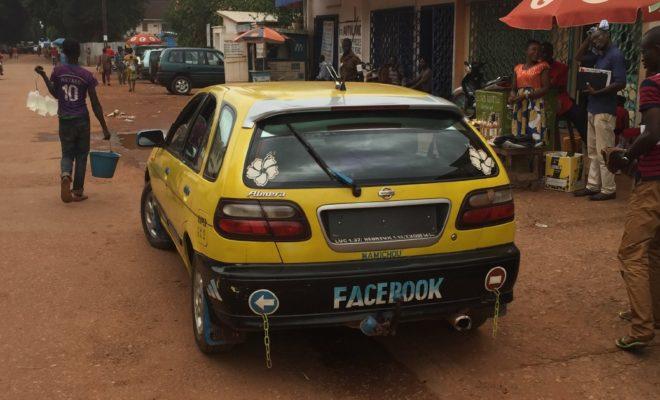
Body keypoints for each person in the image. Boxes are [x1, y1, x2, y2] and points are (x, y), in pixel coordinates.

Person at [602, 26, 660, 351]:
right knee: (655, 250)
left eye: (647, 50)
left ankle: (641, 329)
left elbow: (653, 134)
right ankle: (654, 315)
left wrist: (626, 156)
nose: (643, 57)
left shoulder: (653, 84)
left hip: (652, 182)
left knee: (631, 252)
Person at [34, 38, 111, 203]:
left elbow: (55, 93)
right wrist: (104, 128)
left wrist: (43, 76)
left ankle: (65, 174)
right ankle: (77, 190)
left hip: (65, 119)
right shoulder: (87, 76)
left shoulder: (58, 71)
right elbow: (95, 104)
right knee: (82, 155)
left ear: (64, 53)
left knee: (67, 153)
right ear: (79, 52)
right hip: (82, 119)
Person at [573, 21, 627, 201]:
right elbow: (577, 57)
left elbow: (621, 83)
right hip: (592, 107)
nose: (596, 41)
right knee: (593, 151)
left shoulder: (615, 55)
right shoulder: (599, 54)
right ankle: (593, 185)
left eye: (598, 37)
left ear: (607, 34)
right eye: (593, 38)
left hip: (605, 109)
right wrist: (589, 38)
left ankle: (608, 188)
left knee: (605, 151)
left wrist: (598, 92)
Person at [540, 42, 587, 141]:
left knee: (579, 115)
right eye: (542, 53)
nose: (543, 55)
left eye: (546, 53)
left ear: (551, 53)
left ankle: (586, 142)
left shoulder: (561, 67)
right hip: (541, 99)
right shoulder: (536, 67)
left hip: (560, 99)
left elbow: (557, 87)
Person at [508, 40, 550, 145]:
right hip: (520, 105)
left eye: (539, 50)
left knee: (535, 137)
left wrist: (526, 95)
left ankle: (537, 160)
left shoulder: (543, 66)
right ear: (526, 51)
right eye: (534, 49)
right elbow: (514, 88)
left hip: (534, 105)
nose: (537, 53)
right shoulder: (517, 68)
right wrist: (512, 96)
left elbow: (545, 88)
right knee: (519, 138)